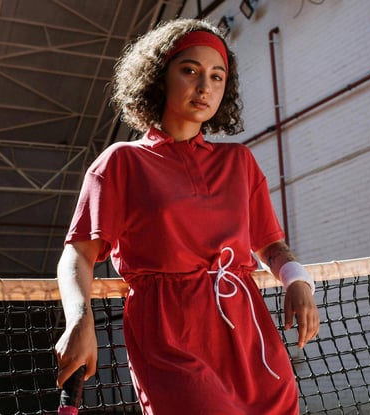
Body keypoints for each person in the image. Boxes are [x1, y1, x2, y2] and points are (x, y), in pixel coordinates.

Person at [55, 18, 319, 415]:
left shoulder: (240, 162)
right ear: (159, 77)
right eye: (190, 70)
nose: (204, 86)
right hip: (168, 333)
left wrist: (297, 281)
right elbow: (77, 256)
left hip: (250, 333)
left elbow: (271, 245)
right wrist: (79, 320)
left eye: (217, 76)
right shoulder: (120, 162)